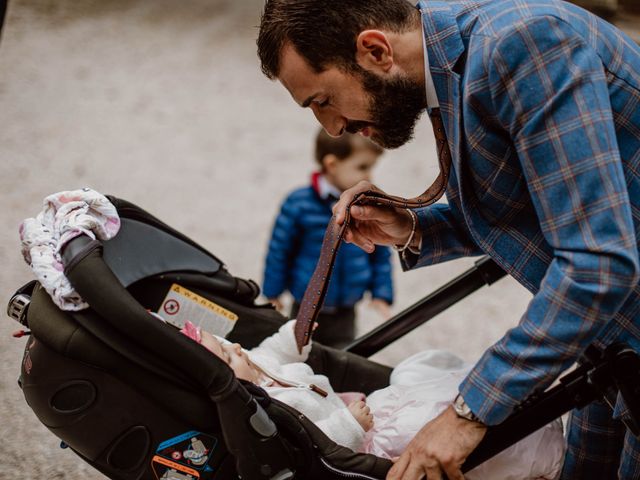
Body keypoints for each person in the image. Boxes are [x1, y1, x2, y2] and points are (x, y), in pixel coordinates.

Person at [256, 0, 640, 479]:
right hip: (606, 342)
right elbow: (537, 203)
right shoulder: (455, 59)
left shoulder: (524, 45)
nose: (331, 127)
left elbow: (598, 265)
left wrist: (469, 412)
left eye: (322, 100)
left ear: (375, 50)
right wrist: (415, 226)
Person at [181, 319, 565, 480]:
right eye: (231, 355)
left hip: (370, 404)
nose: (238, 347)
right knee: (426, 424)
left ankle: (491, 393)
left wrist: (291, 337)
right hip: (364, 436)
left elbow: (273, 352)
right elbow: (306, 446)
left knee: (423, 384)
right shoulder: (261, 410)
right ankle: (538, 443)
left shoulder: (256, 363)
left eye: (229, 342)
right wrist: (349, 425)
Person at [262, 128, 393, 348]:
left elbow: (380, 253)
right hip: (305, 304)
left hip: (346, 308)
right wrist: (273, 293)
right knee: (298, 351)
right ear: (332, 165)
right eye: (362, 167)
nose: (369, 176)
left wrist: (381, 293)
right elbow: (280, 251)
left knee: (343, 354)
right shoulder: (299, 204)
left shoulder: (367, 207)